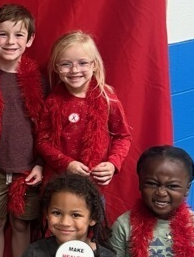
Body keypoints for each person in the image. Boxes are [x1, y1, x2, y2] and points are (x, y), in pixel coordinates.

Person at [0, 5, 46, 257]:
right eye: (3, 34)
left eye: (18, 35)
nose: (10, 42)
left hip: (27, 168)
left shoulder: (38, 80)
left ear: (29, 40)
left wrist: (41, 163)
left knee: (21, 225)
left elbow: (47, 126)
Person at [37, 31, 130, 191]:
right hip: (59, 182)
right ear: (56, 68)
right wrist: (67, 164)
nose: (74, 70)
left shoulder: (108, 99)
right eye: (66, 64)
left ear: (93, 65)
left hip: (93, 185)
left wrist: (113, 163)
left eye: (82, 63)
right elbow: (43, 141)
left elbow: (123, 137)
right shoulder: (52, 101)